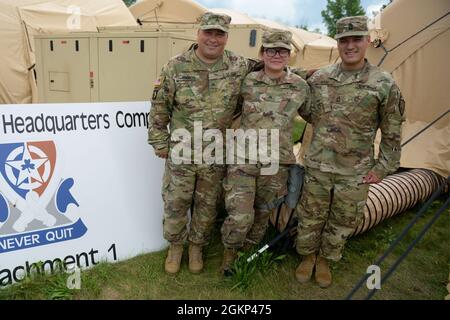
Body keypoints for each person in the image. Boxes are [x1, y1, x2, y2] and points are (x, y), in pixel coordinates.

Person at [295, 16, 405, 288]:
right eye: (344, 40)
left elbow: (392, 131)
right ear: (338, 43)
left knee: (343, 220)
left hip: (354, 171)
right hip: (319, 164)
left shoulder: (383, 83)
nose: (350, 45)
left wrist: (381, 168)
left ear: (367, 41)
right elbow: (308, 112)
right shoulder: (320, 78)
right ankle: (308, 256)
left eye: (357, 39)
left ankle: (326, 260)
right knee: (310, 215)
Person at [148, 12, 254, 274]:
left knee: (207, 206)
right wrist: (159, 142)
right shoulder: (176, 66)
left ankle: (196, 247)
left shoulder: (239, 65)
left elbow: (273, 70)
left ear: (227, 37)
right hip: (182, 151)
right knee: (176, 202)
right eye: (208, 32)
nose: (213, 39)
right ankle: (175, 248)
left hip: (215, 152)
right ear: (199, 33)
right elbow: (160, 107)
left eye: (219, 34)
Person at [220, 29, 311, 274]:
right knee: (240, 215)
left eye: (282, 50)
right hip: (243, 159)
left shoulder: (300, 87)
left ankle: (247, 253)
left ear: (289, 55)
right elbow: (229, 109)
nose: (276, 55)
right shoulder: (247, 82)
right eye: (271, 50)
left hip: (276, 162)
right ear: (262, 53)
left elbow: (314, 116)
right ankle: (230, 253)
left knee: (262, 213)